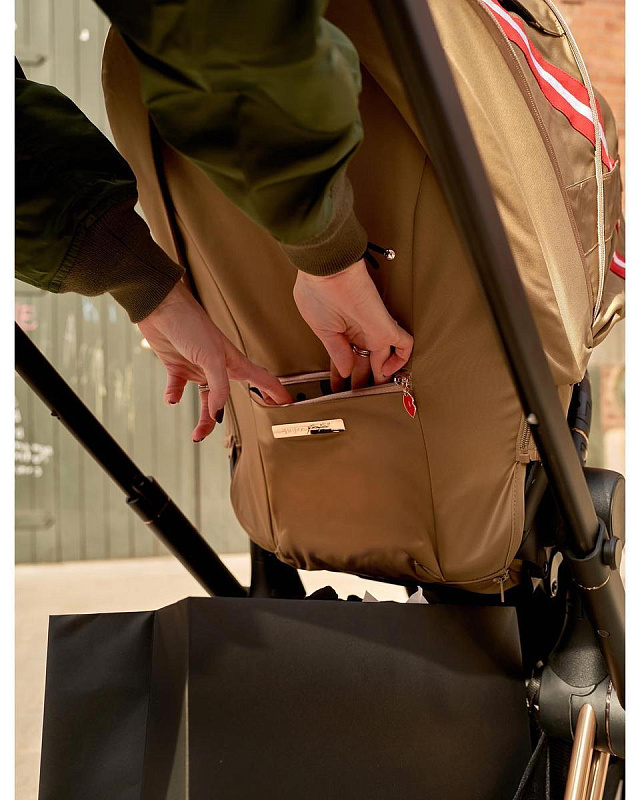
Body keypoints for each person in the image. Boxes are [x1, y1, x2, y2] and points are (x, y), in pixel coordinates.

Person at [15, 2, 413, 443]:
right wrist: (325, 248)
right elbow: (223, 29)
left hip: (293, 119)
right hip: (305, 115)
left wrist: (138, 281)